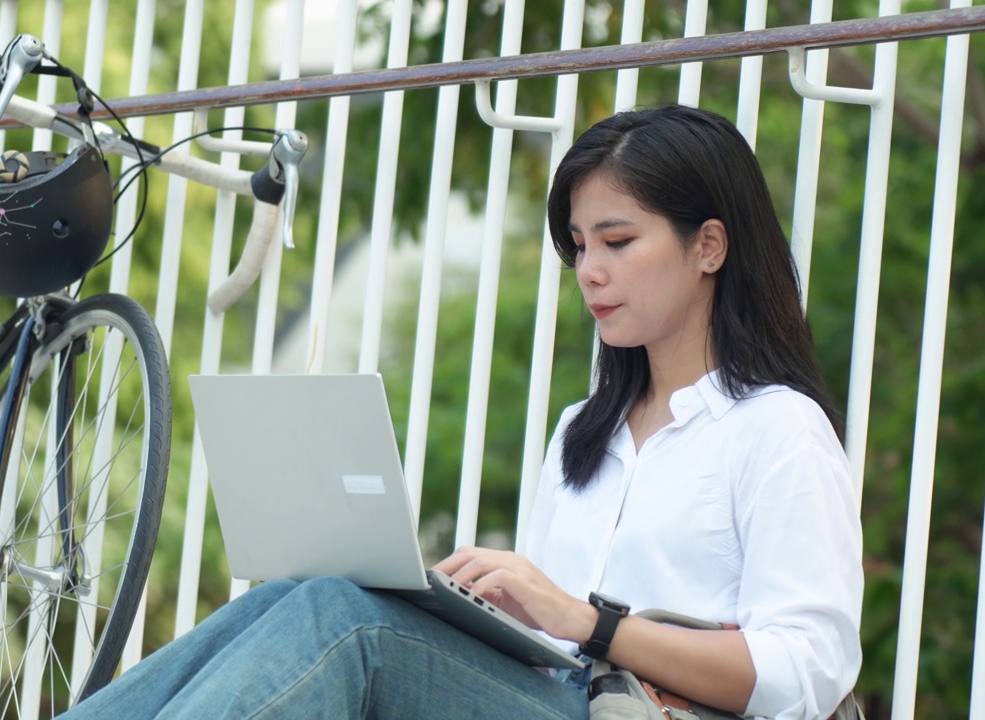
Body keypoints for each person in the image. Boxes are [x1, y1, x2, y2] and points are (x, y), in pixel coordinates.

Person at [62, 104, 863, 720]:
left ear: (709, 247)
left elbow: (808, 670)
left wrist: (587, 622)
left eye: (617, 241)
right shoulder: (584, 433)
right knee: (302, 594)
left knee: (348, 621)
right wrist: (480, 611)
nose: (590, 271)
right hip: (553, 694)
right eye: (578, 246)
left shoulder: (776, 430)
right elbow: (551, 651)